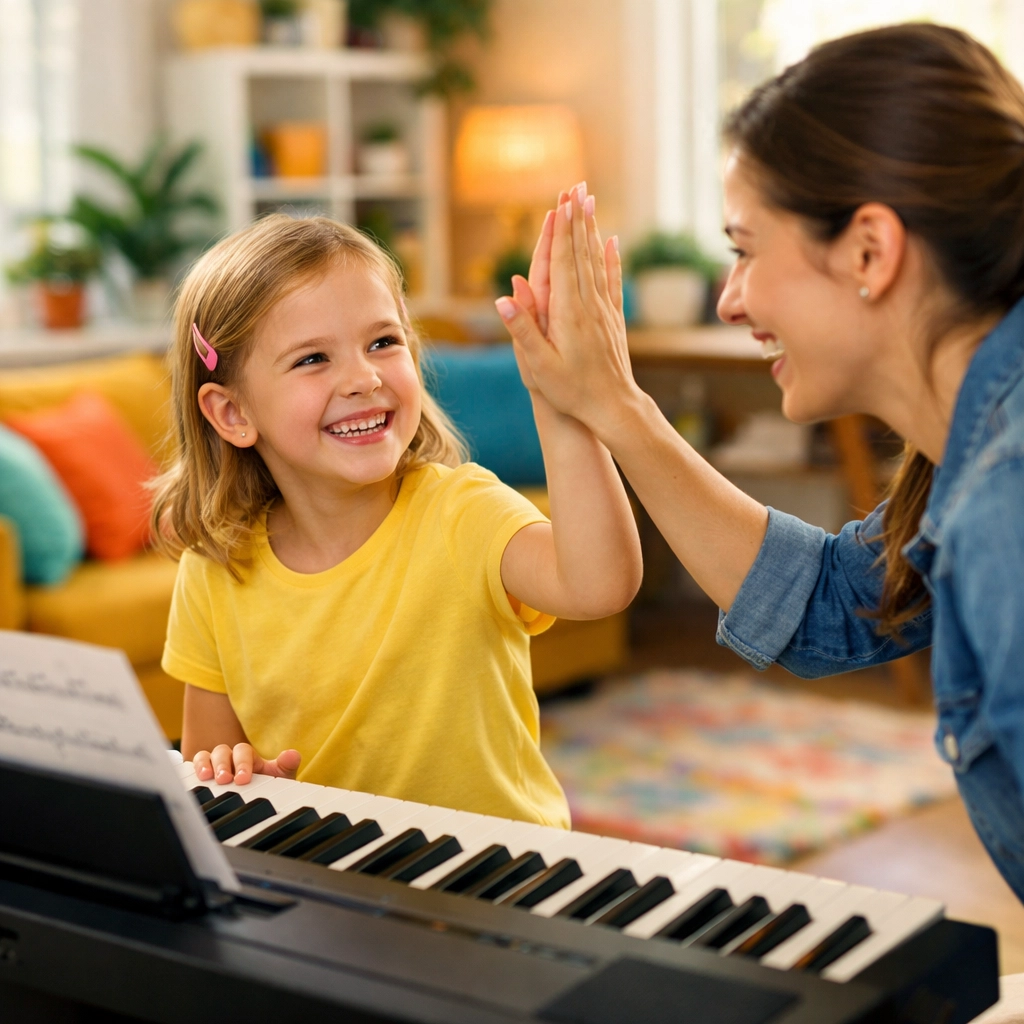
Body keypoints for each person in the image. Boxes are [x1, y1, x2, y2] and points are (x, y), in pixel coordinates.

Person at [498, 24, 1024, 896]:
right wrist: (616, 408)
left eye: (744, 250)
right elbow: (837, 607)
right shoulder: (973, 462)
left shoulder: (1008, 501)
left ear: (870, 250)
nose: (731, 297)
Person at [155, 214, 641, 828]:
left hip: (504, 877)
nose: (364, 378)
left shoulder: (463, 513)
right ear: (231, 411)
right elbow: (209, 765)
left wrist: (564, 403)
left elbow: (601, 584)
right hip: (337, 882)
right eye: (312, 358)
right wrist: (240, 777)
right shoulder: (215, 568)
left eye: (383, 343)